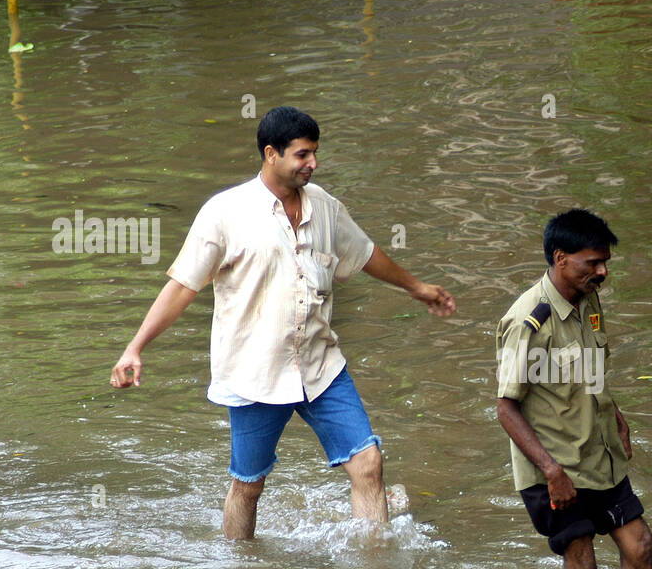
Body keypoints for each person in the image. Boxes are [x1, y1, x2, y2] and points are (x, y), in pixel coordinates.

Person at [109, 106, 455, 538]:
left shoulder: (325, 207)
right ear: (271, 154)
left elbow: (364, 253)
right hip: (254, 373)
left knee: (368, 463)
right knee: (249, 485)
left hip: (320, 365)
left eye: (314, 154)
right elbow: (183, 286)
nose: (312, 163)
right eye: (302, 155)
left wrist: (416, 287)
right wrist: (135, 347)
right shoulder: (226, 213)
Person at [495, 209, 652, 569]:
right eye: (593, 262)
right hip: (556, 468)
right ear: (560, 258)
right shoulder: (530, 321)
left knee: (640, 546)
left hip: (599, 456)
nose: (602, 272)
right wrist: (552, 472)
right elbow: (506, 408)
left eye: (605, 263)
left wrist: (616, 416)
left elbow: (590, 369)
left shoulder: (589, 299)